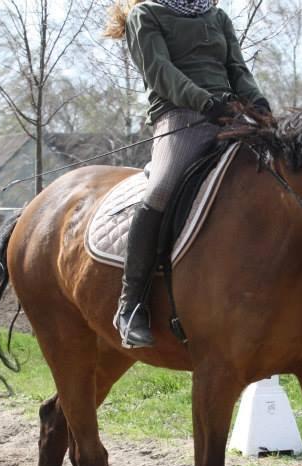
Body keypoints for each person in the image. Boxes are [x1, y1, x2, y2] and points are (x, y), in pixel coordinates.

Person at [104, 0, 271, 347]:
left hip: (231, 115)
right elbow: (160, 71)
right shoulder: (146, 15)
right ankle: (131, 305)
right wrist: (204, 101)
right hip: (180, 116)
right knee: (161, 190)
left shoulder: (217, 15)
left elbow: (237, 68)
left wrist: (257, 102)